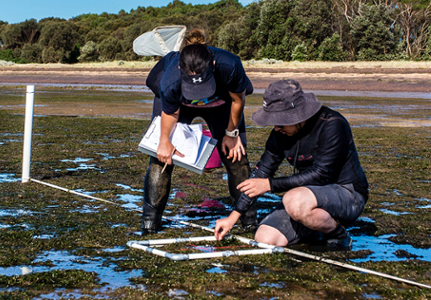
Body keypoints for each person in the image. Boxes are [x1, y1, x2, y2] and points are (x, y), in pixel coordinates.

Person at [214, 79, 369, 247]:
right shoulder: (280, 133)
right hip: (308, 198)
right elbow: (261, 173)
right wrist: (234, 215)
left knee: (294, 200)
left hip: (348, 194)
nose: (276, 128)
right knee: (265, 238)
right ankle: (315, 225)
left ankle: (338, 234)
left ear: (298, 116)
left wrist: (270, 185)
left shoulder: (332, 125)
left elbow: (322, 175)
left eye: (280, 122)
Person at [141, 28, 257, 235]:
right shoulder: (170, 80)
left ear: (212, 66)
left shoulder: (229, 65)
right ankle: (150, 224)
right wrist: (164, 141)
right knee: (161, 159)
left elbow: (238, 100)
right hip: (178, 105)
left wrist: (232, 134)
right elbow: (171, 113)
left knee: (236, 156)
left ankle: (248, 221)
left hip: (221, 103)